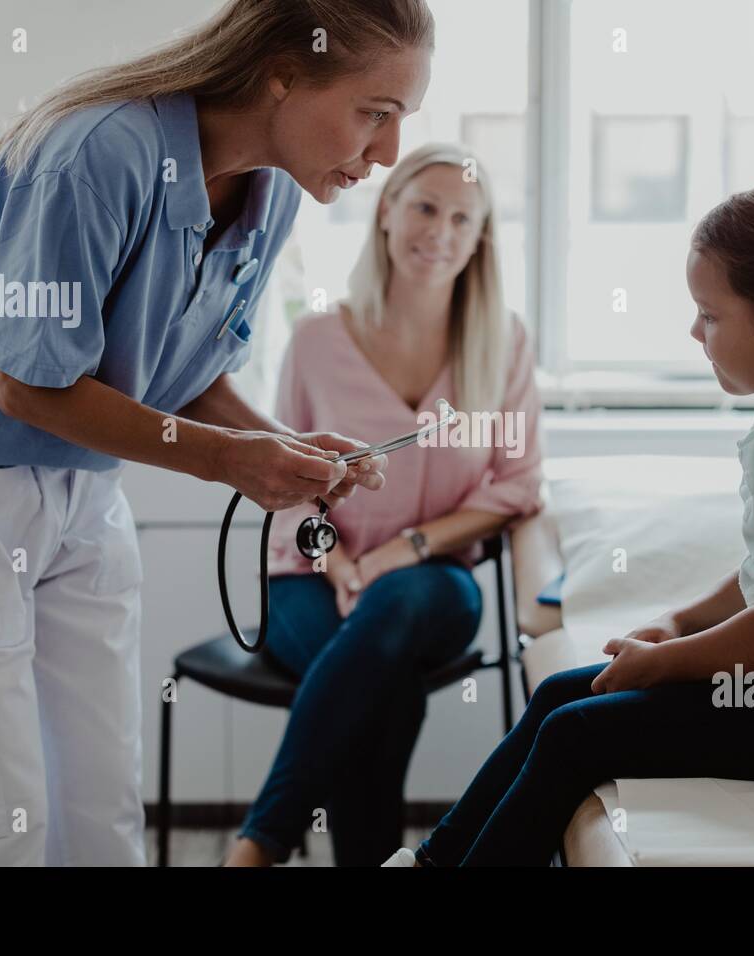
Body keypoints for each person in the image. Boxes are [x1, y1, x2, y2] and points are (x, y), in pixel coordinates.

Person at [0, 0, 436, 866]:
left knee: (99, 808)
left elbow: (184, 367)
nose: (387, 153)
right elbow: (29, 384)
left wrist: (282, 452)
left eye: (401, 121)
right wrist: (233, 462)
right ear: (283, 70)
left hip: (81, 483)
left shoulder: (272, 195)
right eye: (374, 113)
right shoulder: (97, 152)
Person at [385, 177, 754, 867]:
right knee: (560, 695)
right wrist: (682, 625)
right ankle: (433, 862)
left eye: (710, 316)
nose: (695, 332)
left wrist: (665, 666)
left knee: (578, 734)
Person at [224, 143, 544, 867]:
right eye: (426, 207)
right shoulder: (315, 342)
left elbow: (519, 482)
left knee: (392, 612)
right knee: (382, 683)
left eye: (464, 218)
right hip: (307, 581)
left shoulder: (505, 344)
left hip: (435, 587)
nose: (441, 231)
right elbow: (286, 483)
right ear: (389, 211)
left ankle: (256, 847)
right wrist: (338, 564)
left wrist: (410, 549)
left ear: (481, 237)